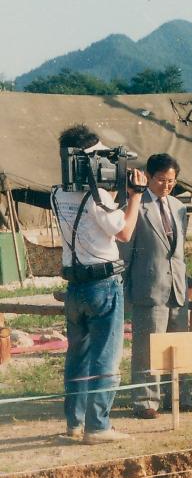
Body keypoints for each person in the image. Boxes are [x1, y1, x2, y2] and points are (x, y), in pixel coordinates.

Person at [52, 125, 147, 444]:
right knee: (106, 356)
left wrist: (114, 194)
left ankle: (74, 423)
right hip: (103, 285)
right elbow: (124, 232)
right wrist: (134, 198)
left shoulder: (57, 193)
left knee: (77, 356)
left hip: (75, 286)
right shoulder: (99, 197)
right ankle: (98, 426)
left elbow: (98, 213)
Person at [120, 153, 192, 419]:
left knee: (179, 344)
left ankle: (180, 397)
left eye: (172, 181)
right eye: (161, 180)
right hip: (148, 286)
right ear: (148, 177)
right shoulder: (135, 206)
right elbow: (125, 253)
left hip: (177, 286)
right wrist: (125, 289)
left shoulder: (179, 207)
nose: (166, 186)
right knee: (147, 348)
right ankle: (145, 401)